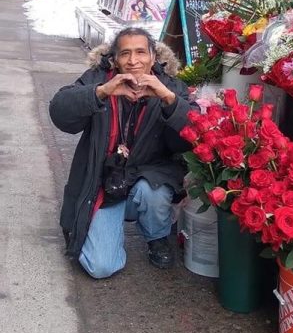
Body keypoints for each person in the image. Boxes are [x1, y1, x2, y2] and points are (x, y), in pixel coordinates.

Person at [49, 27, 194, 279]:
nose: (133, 60)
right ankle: (92, 227)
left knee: (154, 192)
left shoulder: (170, 86)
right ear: (114, 59)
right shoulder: (99, 79)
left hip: (147, 181)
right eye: (125, 53)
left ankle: (157, 237)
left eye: (140, 52)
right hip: (104, 183)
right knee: (101, 267)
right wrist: (101, 92)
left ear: (153, 56)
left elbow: (195, 134)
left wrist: (169, 100)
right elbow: (59, 112)